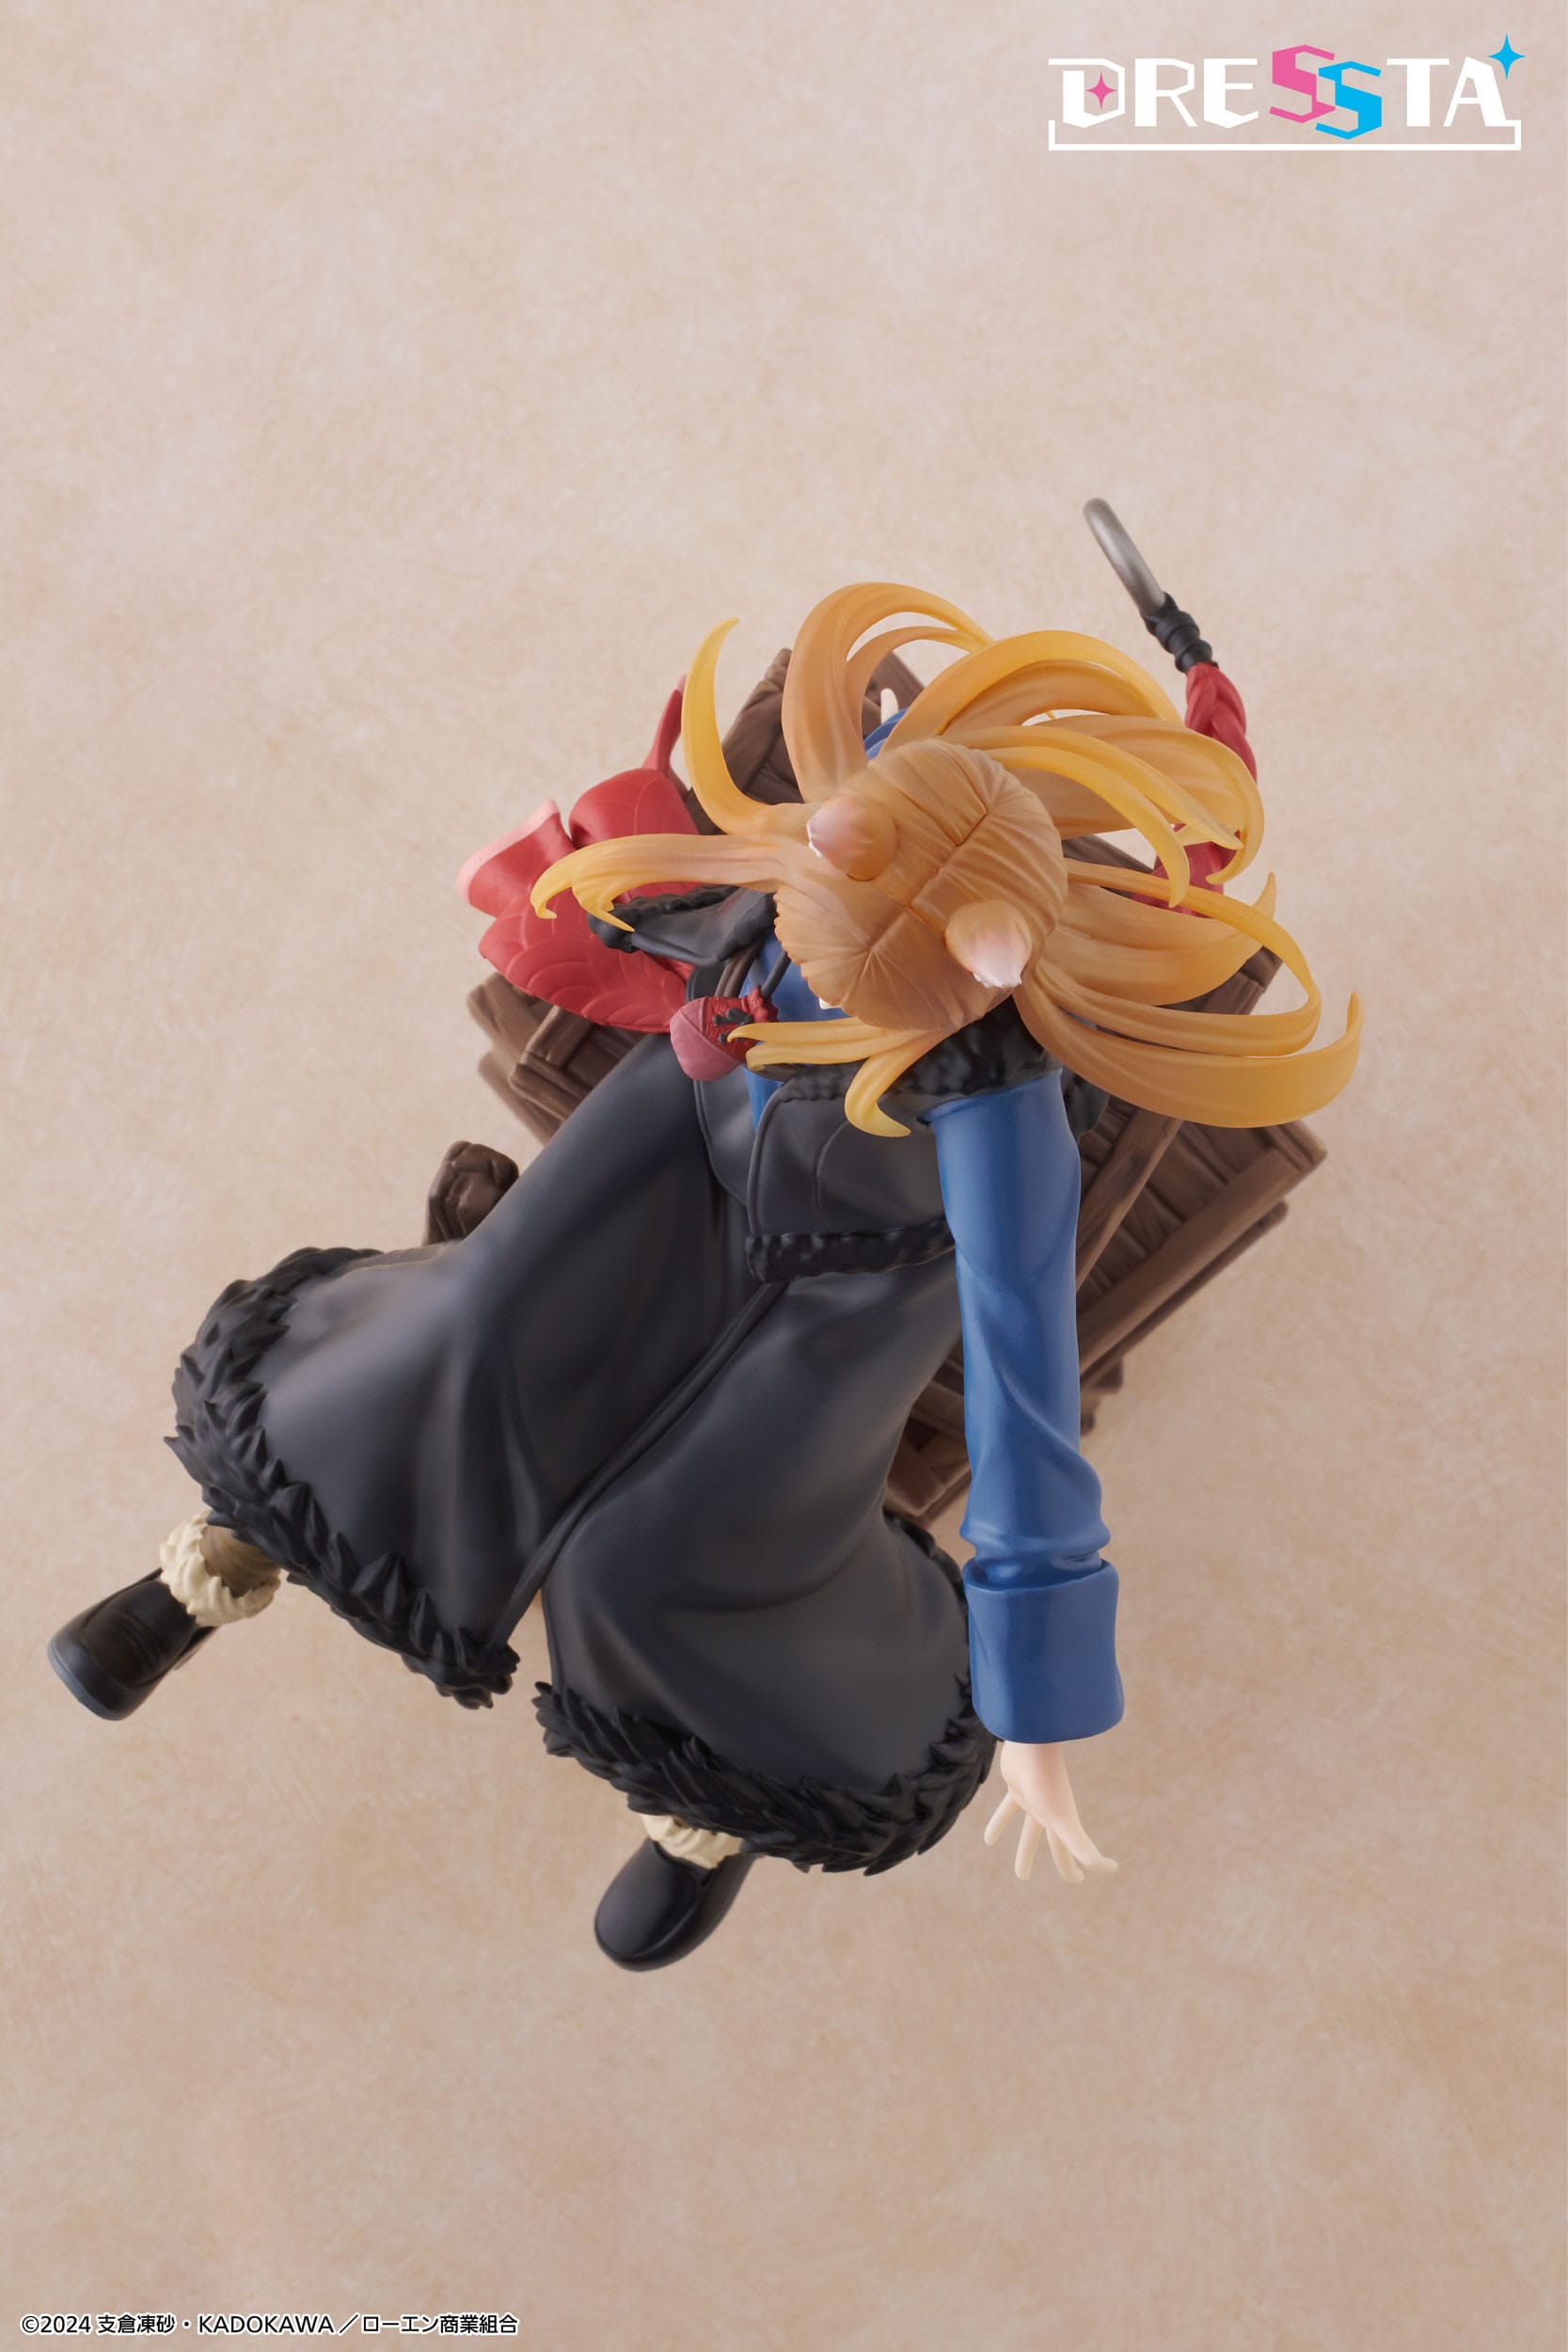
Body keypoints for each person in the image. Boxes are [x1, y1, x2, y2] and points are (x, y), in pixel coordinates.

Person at [48, 578, 1359, 1971]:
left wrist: (1040, 1712)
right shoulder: (781, 901)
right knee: (463, 1349)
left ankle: (707, 1817)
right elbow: (647, 913)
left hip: (842, 1309)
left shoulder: (1006, 1116)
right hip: (664, 1172)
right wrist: (587, 890)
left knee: (690, 1553)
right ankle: (211, 1566)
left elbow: (1023, 1390)